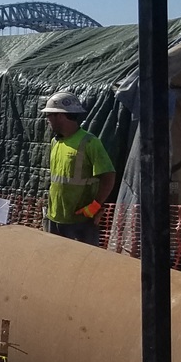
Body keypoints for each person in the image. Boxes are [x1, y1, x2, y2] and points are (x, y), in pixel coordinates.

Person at [41, 91, 116, 246]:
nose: (47, 120)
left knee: (81, 266)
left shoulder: (90, 142)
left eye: (49, 115)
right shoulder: (56, 142)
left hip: (80, 222)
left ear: (60, 116)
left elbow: (108, 175)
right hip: (54, 218)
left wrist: (95, 205)